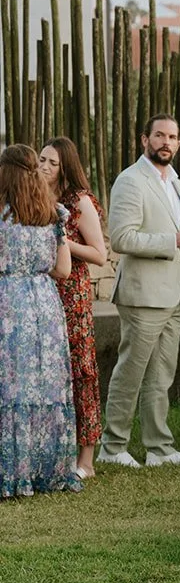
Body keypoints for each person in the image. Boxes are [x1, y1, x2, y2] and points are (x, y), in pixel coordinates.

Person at [98, 115, 180, 469]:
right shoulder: (130, 181)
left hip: (175, 293)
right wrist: (174, 242)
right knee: (131, 371)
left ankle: (159, 447)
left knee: (162, 375)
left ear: (178, 143)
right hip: (142, 294)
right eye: (160, 135)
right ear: (145, 139)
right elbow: (121, 238)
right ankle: (112, 447)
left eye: (173, 136)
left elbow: (178, 233)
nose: (166, 141)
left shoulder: (174, 182)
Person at [0, 144, 78, 499]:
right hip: (43, 308)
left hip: (6, 305)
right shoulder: (54, 215)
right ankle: (45, 470)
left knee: (9, 387)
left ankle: (10, 472)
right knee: (43, 388)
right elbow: (63, 269)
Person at [38, 137, 107, 480]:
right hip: (42, 291)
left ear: (66, 166)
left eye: (52, 162)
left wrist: (62, 242)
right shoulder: (34, 199)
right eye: (41, 160)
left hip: (73, 294)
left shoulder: (79, 201)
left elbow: (99, 254)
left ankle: (87, 458)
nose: (44, 167)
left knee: (81, 370)